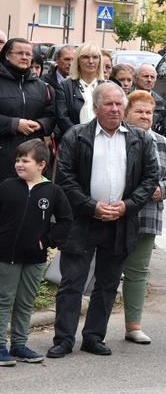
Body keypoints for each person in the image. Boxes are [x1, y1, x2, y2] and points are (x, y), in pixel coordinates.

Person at [48, 83, 159, 359]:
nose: (114, 109)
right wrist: (91, 207)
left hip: (121, 221)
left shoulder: (140, 139)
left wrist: (127, 206)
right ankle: (63, 339)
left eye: (119, 104)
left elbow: (149, 179)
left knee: (108, 284)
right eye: (108, 104)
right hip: (83, 221)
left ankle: (94, 337)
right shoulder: (76, 136)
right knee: (72, 282)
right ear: (96, 107)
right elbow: (64, 179)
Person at [0, 141, 73, 366]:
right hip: (5, 256)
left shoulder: (53, 191)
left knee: (25, 302)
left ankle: (20, 345)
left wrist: (46, 242)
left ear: (41, 164)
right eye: (17, 160)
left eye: (25, 160)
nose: (19, 164)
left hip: (34, 259)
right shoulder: (6, 186)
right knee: (4, 300)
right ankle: (1, 345)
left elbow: (66, 221)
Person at [122, 91, 166, 345]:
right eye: (139, 111)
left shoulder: (161, 142)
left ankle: (133, 326)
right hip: (116, 212)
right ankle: (94, 327)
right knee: (107, 271)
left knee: (138, 272)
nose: (145, 116)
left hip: (148, 215)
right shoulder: (116, 138)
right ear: (126, 113)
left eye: (149, 112)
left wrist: (161, 190)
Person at [0, 38, 55, 182]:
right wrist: (14, 124)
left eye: (28, 54)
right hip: (4, 157)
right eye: (19, 53)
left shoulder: (41, 86)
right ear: (7, 55)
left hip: (33, 159)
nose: (24, 57)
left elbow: (51, 116)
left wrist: (40, 124)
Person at [55, 42, 105, 137]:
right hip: (74, 142)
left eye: (95, 57)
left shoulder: (108, 87)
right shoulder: (64, 86)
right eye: (85, 57)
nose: (91, 61)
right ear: (77, 60)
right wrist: (79, 137)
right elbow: (62, 118)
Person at [133, 63, 166, 145]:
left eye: (152, 77)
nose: (149, 80)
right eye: (145, 76)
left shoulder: (162, 104)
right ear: (135, 78)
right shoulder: (125, 100)